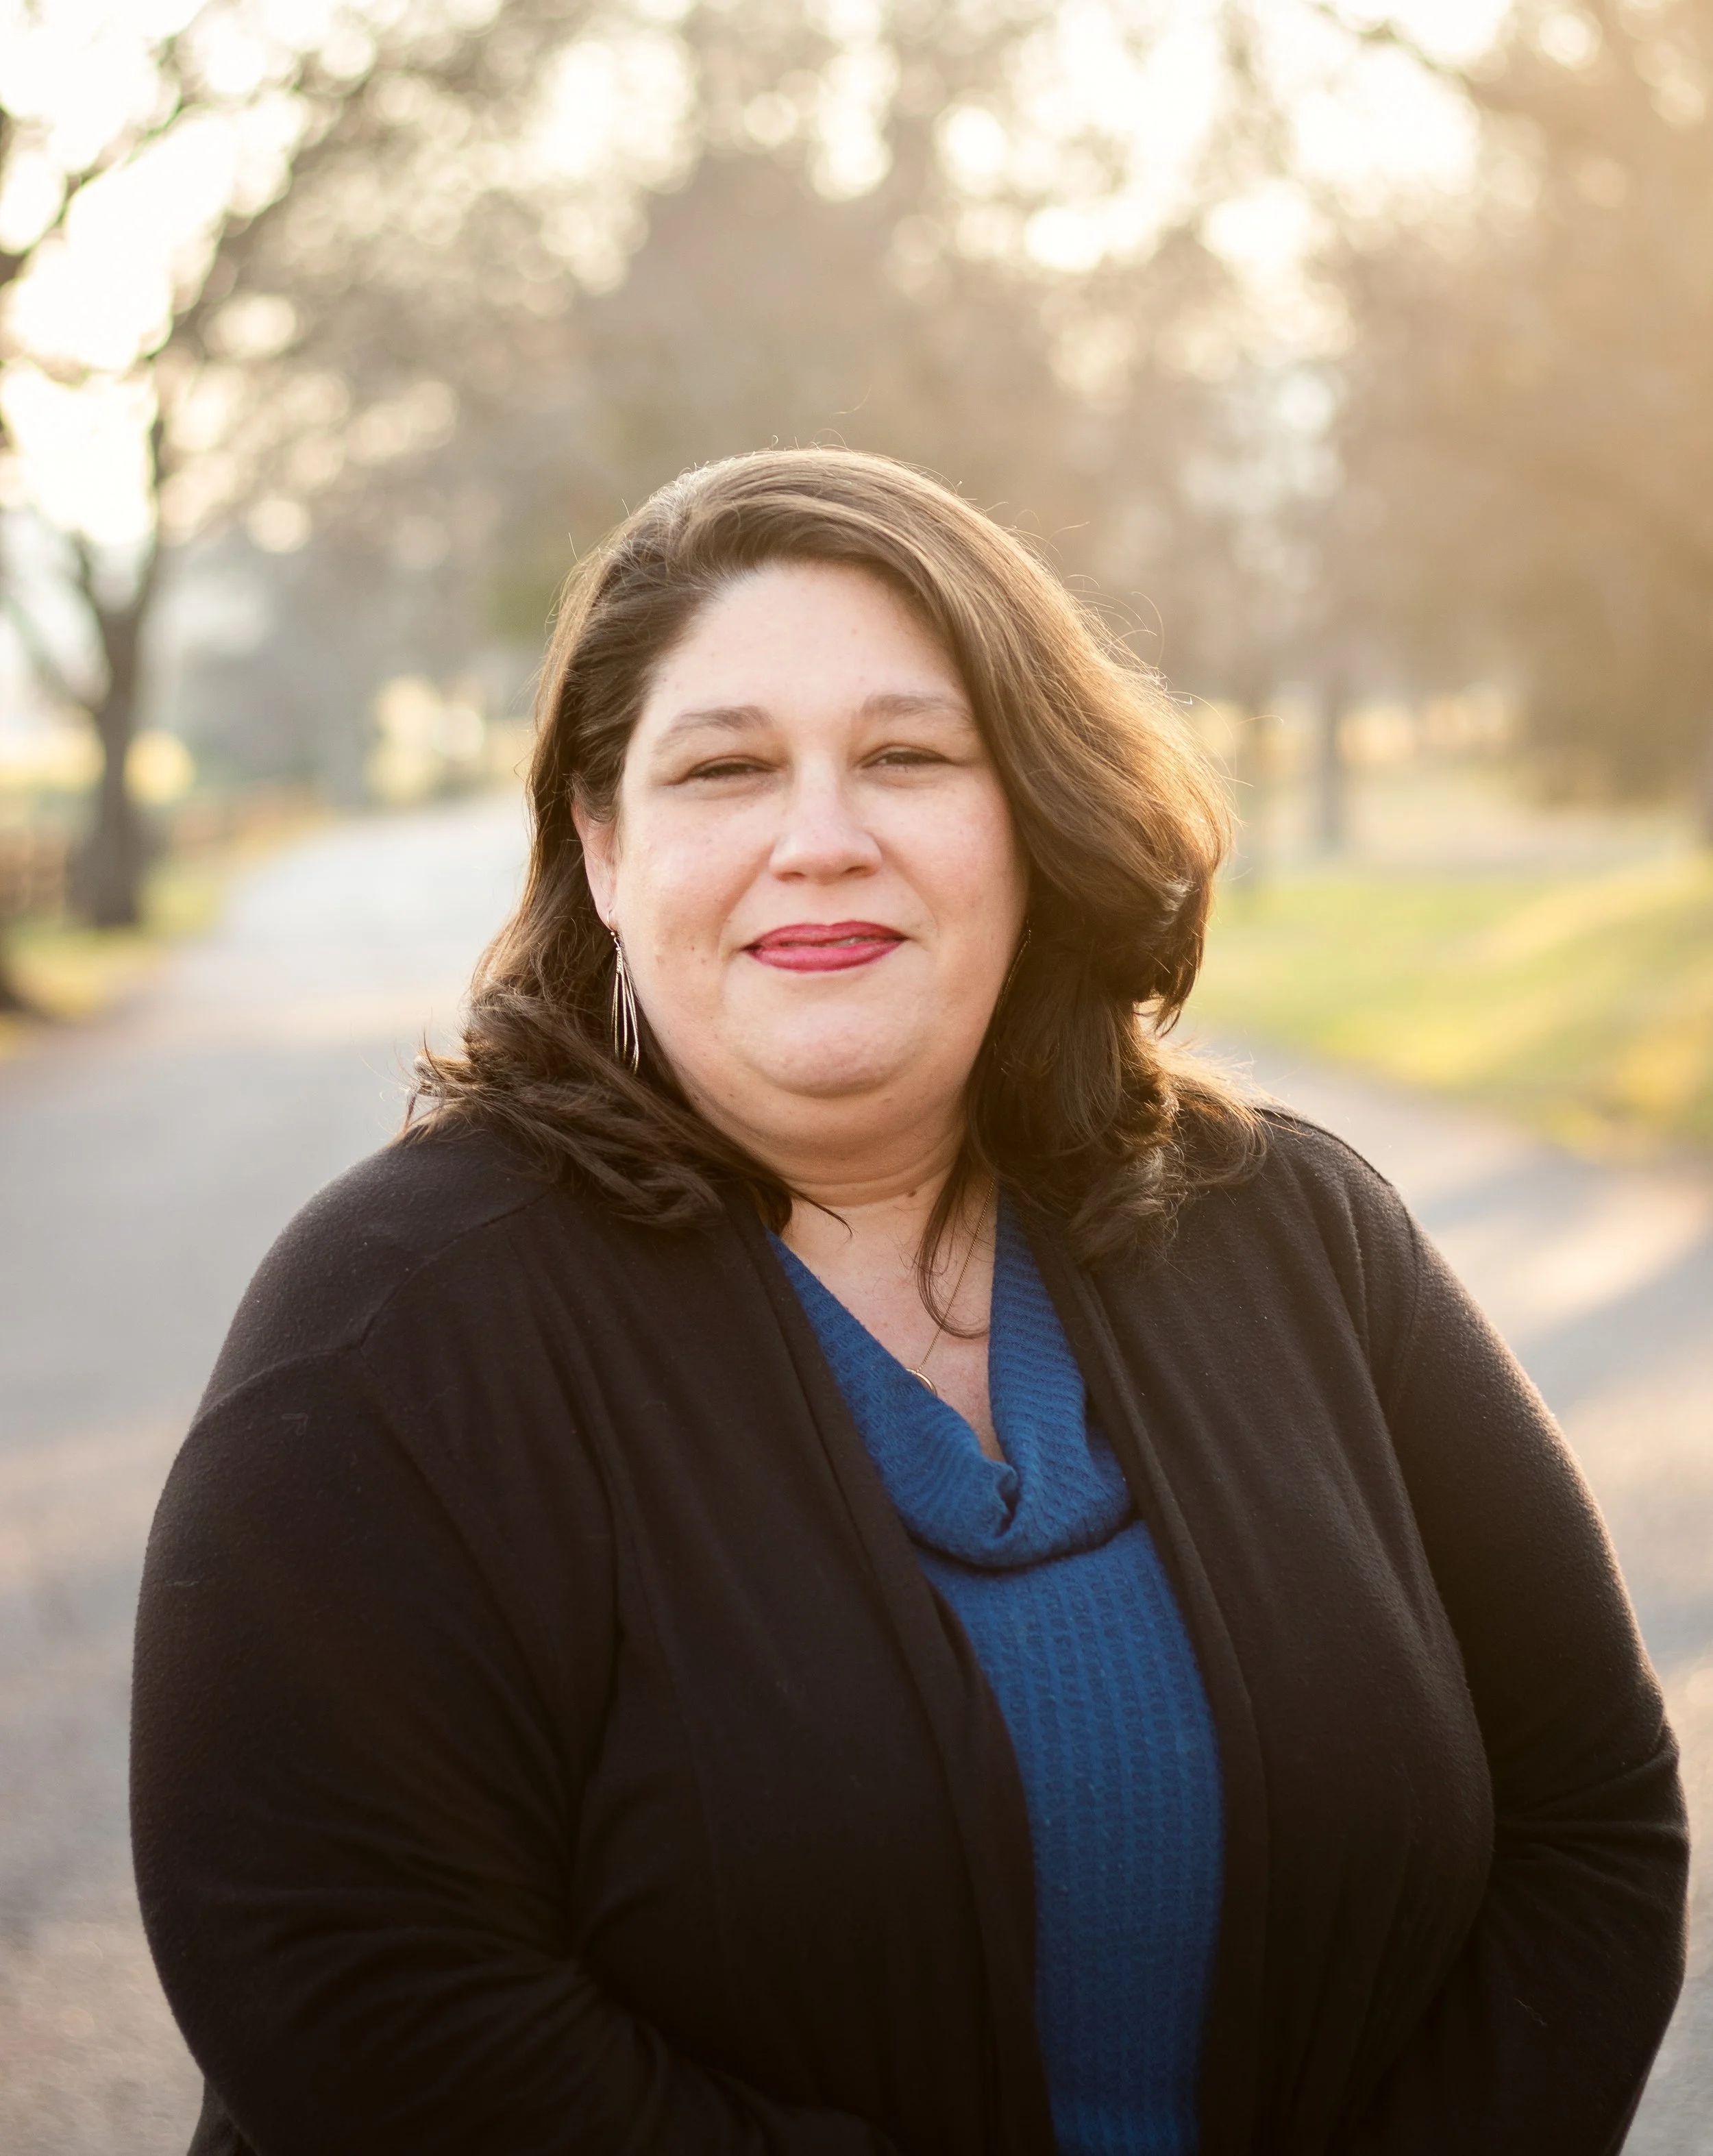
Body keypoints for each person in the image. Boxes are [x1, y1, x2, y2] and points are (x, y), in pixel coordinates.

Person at [132, 448, 1686, 2156]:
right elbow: (350, 1981)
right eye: (725, 767)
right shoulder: (395, 1333)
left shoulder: (1294, 1231)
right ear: (598, 842)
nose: (820, 839)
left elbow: (1587, 1823)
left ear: (1026, 810)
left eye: (906, 756)